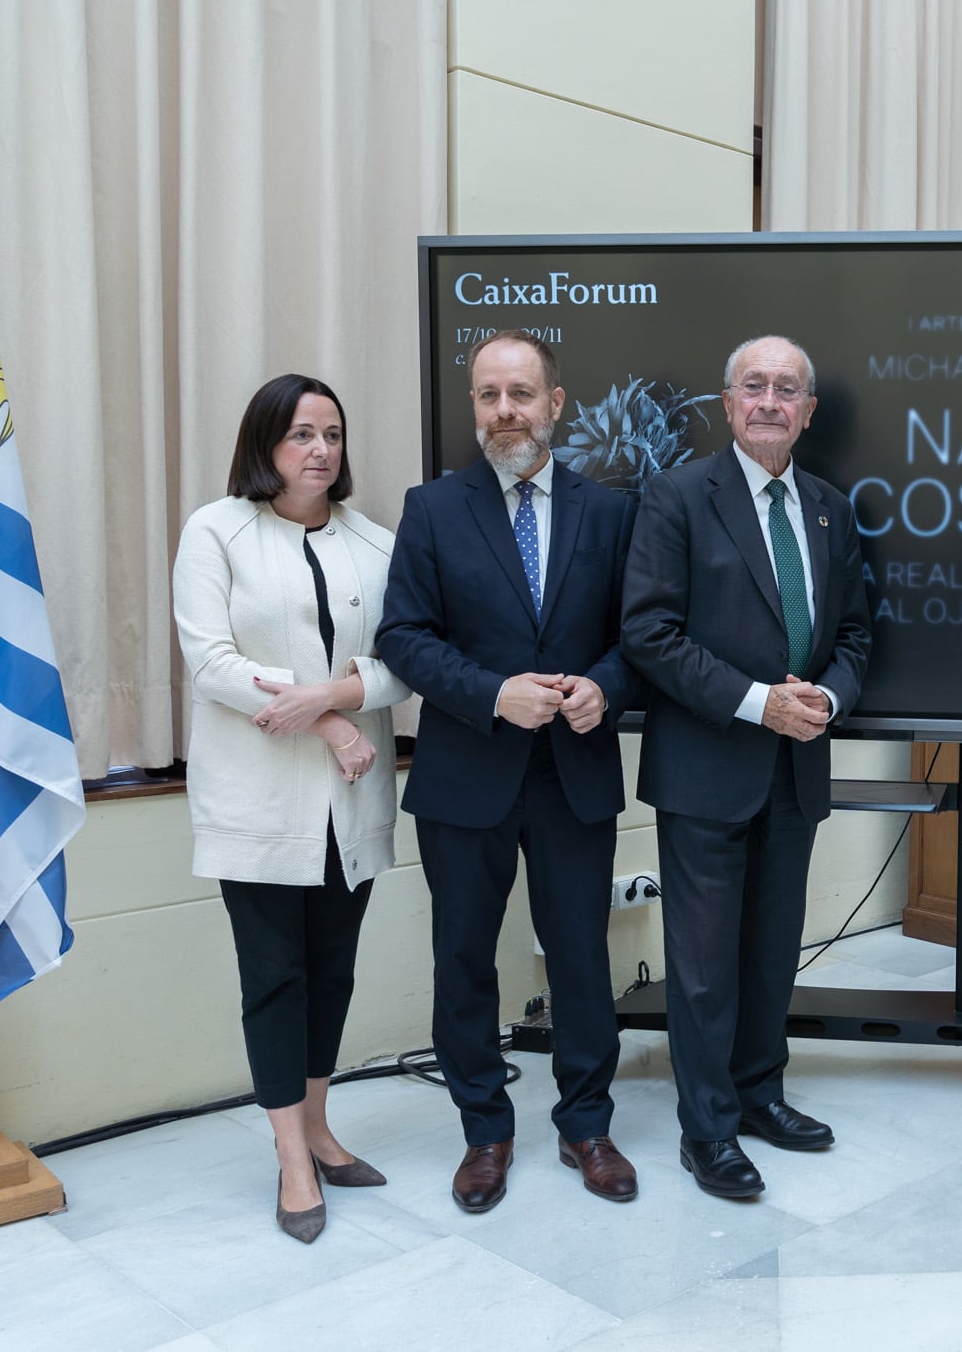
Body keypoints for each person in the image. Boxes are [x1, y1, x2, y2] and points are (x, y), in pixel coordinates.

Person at [377, 328, 646, 1213]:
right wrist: (495, 693)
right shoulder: (432, 508)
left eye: (521, 394)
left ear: (555, 403)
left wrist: (602, 687)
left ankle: (586, 1125)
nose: (505, 412)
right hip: (466, 775)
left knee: (578, 958)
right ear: (474, 407)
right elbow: (403, 638)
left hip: (573, 773)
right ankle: (484, 1131)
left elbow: (639, 638)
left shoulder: (611, 512)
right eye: (489, 395)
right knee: (462, 961)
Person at [622, 334, 871, 1200]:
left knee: (772, 954)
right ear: (729, 403)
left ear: (808, 410)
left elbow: (854, 637)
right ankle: (709, 1130)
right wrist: (757, 700)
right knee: (701, 967)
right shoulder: (677, 496)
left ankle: (762, 1093)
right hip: (705, 769)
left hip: (795, 771)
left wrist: (827, 702)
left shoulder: (833, 509)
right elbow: (648, 632)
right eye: (754, 386)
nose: (770, 401)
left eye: (788, 389)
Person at [174, 373, 411, 1243]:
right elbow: (212, 660)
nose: (320, 450)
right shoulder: (216, 531)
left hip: (351, 796)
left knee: (334, 972)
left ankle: (318, 1122)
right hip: (259, 795)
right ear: (265, 442)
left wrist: (337, 702)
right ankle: (291, 1158)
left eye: (333, 435)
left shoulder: (376, 542)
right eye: (302, 433)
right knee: (275, 978)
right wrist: (332, 719)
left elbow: (406, 659)